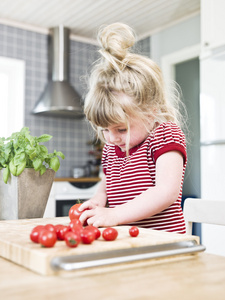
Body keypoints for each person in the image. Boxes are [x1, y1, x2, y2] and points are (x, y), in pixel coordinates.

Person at [79, 22, 187, 234]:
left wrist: (116, 215)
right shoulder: (112, 146)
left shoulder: (165, 135)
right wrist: (100, 197)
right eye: (104, 130)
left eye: (121, 129)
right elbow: (108, 180)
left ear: (151, 112)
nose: (111, 138)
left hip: (162, 243)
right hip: (127, 240)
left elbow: (166, 192)